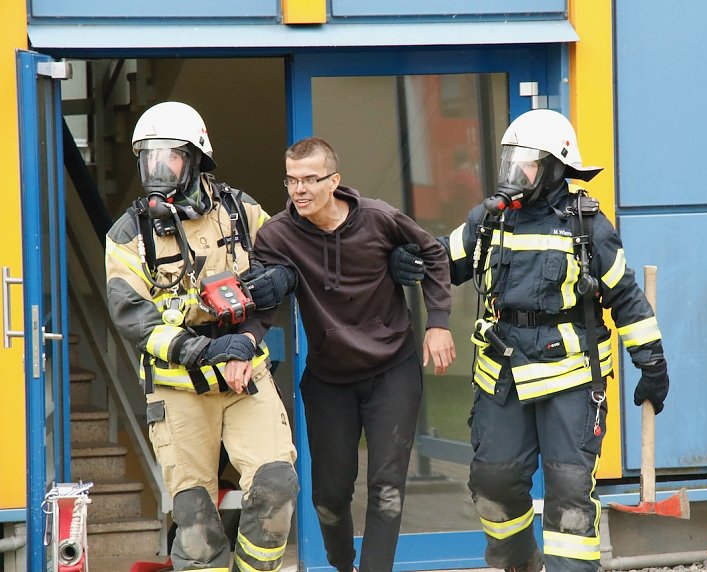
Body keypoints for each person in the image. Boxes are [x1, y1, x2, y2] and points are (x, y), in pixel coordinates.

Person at [393, 109, 670, 572]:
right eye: (510, 161)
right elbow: (448, 258)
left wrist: (653, 364)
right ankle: (521, 564)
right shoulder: (489, 218)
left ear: (556, 167)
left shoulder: (588, 226)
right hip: (503, 372)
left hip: (571, 377)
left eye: (526, 162)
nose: (514, 172)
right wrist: (414, 261)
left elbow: (626, 298)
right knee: (492, 483)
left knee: (568, 494)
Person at [237, 136, 456, 572]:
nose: (298, 190)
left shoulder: (379, 218)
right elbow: (262, 302)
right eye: (291, 180)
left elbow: (434, 253)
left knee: (387, 487)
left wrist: (438, 322)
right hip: (328, 378)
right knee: (330, 498)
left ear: (334, 181)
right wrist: (243, 347)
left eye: (309, 180)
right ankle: (342, 565)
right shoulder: (276, 235)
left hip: (392, 370)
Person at [105, 101, 299, 572]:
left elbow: (288, 256)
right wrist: (206, 348)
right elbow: (134, 317)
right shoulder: (128, 234)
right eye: (147, 157)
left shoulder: (241, 208)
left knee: (277, 485)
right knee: (194, 522)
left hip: (243, 378)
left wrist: (281, 280)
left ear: (195, 158)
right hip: (178, 389)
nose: (157, 168)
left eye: (168, 156)